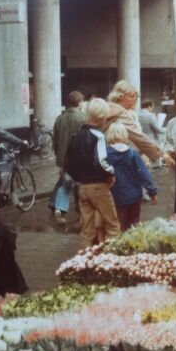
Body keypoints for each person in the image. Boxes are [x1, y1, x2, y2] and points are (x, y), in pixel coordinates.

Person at [63, 98, 120, 248]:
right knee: (112, 225)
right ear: (102, 117)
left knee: (87, 229)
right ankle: (112, 260)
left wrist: (79, 178)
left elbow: (67, 163)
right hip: (99, 186)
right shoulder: (99, 136)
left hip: (82, 187)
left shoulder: (75, 137)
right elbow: (101, 161)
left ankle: (83, 262)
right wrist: (111, 172)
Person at [105, 80, 174, 167]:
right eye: (132, 96)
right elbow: (138, 137)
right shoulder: (121, 112)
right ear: (121, 96)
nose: (135, 99)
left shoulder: (107, 107)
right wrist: (163, 155)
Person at [105, 122, 158, 231]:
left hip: (115, 195)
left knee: (119, 224)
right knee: (134, 225)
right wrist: (152, 192)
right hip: (134, 195)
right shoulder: (132, 154)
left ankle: (118, 246)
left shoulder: (105, 155)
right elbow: (144, 174)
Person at [50, 90, 85, 224]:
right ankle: (80, 212)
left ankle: (60, 208)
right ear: (80, 103)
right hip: (78, 158)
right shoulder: (83, 118)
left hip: (64, 158)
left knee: (65, 184)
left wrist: (59, 156)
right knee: (79, 185)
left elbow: (55, 140)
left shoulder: (59, 118)